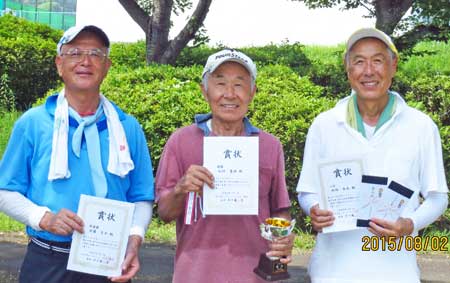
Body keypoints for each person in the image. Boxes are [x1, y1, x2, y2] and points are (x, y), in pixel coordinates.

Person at [0, 25, 155, 283]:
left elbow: (141, 196)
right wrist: (44, 218)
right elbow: (5, 191)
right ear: (59, 64)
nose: (85, 61)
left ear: (107, 66)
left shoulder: (128, 127)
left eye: (95, 53)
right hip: (47, 258)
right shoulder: (34, 123)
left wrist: (134, 239)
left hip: (108, 259)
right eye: (74, 53)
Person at [296, 27, 448, 283]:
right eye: (358, 61)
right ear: (348, 69)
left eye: (377, 60)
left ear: (393, 66)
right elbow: (306, 190)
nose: (368, 71)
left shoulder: (420, 126)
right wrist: (313, 208)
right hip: (332, 272)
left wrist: (409, 224)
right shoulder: (324, 125)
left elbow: (437, 197)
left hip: (396, 273)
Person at [155, 49, 295, 283]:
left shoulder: (270, 146)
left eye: (239, 85)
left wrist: (282, 239)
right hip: (195, 275)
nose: (229, 94)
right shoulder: (180, 141)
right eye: (220, 83)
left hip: (255, 276)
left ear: (252, 93)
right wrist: (181, 188)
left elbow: (279, 208)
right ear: (204, 91)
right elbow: (165, 213)